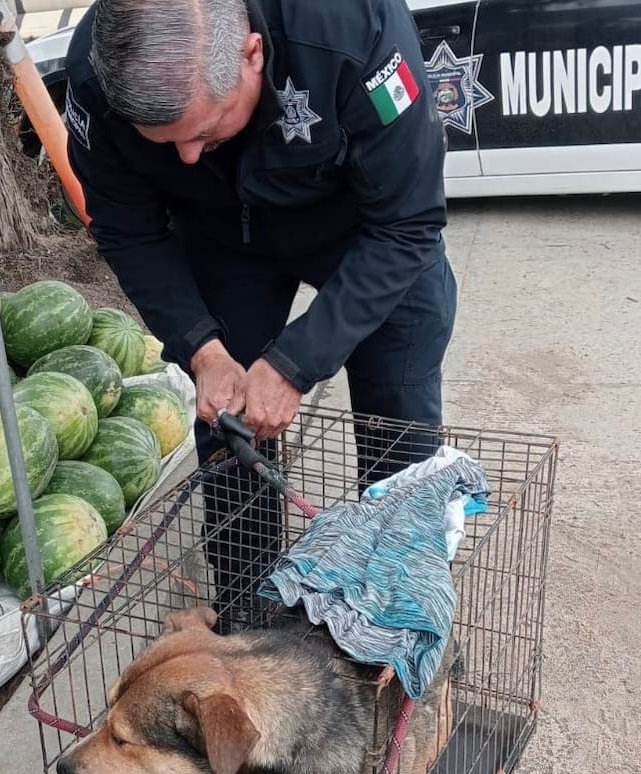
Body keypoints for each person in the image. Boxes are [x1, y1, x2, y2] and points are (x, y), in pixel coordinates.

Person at [62, 0, 458, 631]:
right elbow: (126, 230)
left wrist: (296, 363)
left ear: (252, 54)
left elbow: (407, 224)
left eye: (204, 131)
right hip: (223, 233)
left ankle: (400, 616)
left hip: (365, 227)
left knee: (399, 431)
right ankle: (246, 601)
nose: (187, 155)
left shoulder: (352, 30)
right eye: (167, 144)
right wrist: (203, 349)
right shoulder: (98, 71)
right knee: (228, 425)